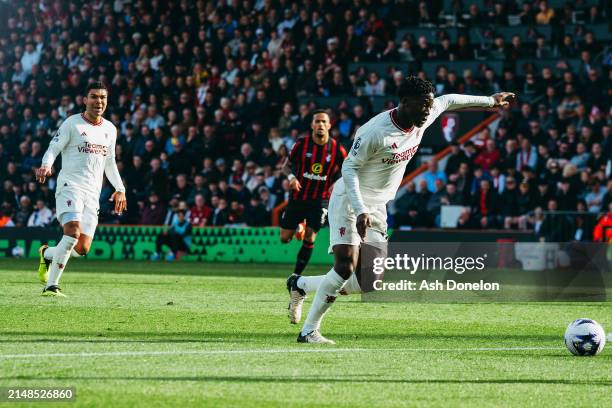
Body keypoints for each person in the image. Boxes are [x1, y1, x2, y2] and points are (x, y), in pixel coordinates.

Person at [294, 76, 514, 343]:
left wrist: (490, 101)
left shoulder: (426, 111)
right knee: (344, 266)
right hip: (351, 200)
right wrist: (361, 209)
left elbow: (449, 101)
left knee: (369, 282)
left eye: (428, 105)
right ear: (405, 103)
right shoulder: (374, 131)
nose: (427, 110)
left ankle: (300, 284)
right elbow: (348, 169)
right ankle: (309, 331)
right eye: (422, 105)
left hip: (377, 205)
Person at [35, 81, 127, 297]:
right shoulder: (72, 124)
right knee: (72, 231)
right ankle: (51, 286)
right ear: (85, 100)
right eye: (94, 96)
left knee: (82, 248)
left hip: (92, 193)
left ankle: (47, 254)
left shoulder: (109, 129)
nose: (99, 101)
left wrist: (120, 188)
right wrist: (46, 166)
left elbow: (110, 162)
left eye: (103, 97)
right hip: (70, 186)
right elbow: (53, 147)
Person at [281, 109, 347, 324]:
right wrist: (291, 177)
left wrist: (338, 183)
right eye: (317, 121)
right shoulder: (302, 145)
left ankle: (295, 278)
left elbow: (346, 169)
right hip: (299, 196)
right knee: (285, 237)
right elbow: (286, 166)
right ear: (312, 125)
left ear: (329, 125)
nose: (320, 125)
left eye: (323, 122)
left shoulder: (337, 149)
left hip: (320, 200)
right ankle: (298, 226)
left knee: (311, 237)